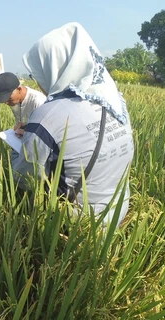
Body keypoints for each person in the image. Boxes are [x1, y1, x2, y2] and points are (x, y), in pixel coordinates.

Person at [12, 22, 134, 228]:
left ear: (54, 67)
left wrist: (19, 148)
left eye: (37, 73)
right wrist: (33, 135)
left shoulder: (48, 115)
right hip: (119, 210)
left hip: (81, 226)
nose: (38, 81)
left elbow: (24, 178)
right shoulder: (114, 102)